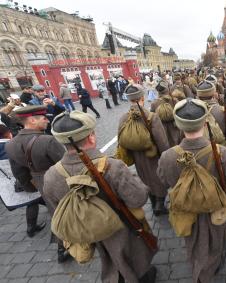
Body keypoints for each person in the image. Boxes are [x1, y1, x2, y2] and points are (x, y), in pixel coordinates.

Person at [44, 111, 157, 283]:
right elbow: (138, 199)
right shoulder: (113, 166)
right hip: (122, 226)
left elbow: (56, 207)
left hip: (88, 230)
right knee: (135, 258)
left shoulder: (51, 175)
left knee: (108, 255)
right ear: (90, 137)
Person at [157, 98, 226, 283]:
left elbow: (164, 180)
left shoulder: (167, 156)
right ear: (205, 121)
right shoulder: (222, 153)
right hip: (215, 210)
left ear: (179, 125)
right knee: (216, 241)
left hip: (185, 210)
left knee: (191, 240)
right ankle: (208, 270)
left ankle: (198, 265)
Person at [5, 105, 70, 262]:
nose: (47, 120)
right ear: (32, 120)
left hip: (39, 182)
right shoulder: (47, 140)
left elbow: (19, 172)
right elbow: (66, 163)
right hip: (59, 179)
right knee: (71, 208)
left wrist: (30, 187)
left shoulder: (10, 144)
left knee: (55, 212)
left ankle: (62, 247)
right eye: (43, 118)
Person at [119, 84, 170, 215]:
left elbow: (122, 140)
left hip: (137, 157)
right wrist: (166, 157)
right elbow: (162, 141)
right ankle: (160, 204)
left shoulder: (123, 118)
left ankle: (153, 203)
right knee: (158, 178)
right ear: (142, 97)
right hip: (154, 156)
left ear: (128, 99)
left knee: (145, 178)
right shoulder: (151, 116)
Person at [150, 80, 182, 146]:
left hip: (161, 128)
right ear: (167, 90)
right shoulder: (174, 100)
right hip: (174, 127)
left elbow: (152, 118)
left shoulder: (154, 103)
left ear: (158, 92)